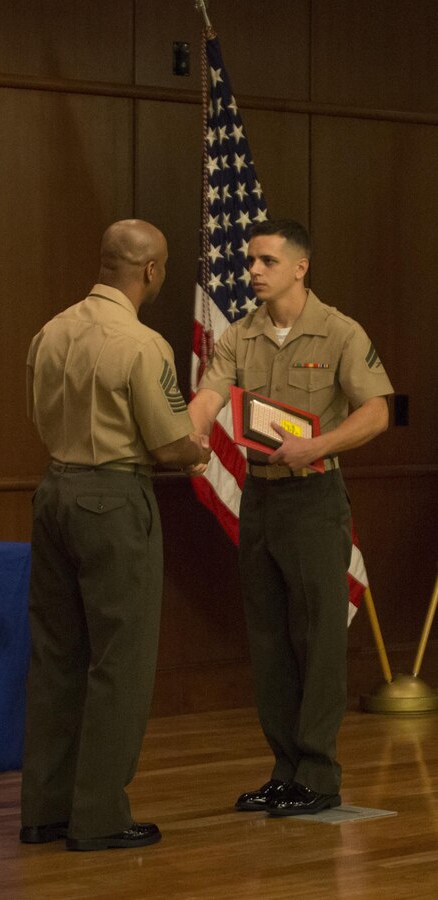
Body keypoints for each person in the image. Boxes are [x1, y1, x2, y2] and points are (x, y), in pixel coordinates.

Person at [189, 219, 393, 816]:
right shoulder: (240, 335)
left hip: (313, 498)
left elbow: (378, 411)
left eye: (267, 262)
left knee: (319, 638)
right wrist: (194, 428)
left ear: (300, 268)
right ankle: (284, 769)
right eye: (251, 260)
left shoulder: (338, 332)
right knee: (270, 637)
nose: (252, 270)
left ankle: (319, 774)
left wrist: (319, 445)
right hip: (262, 498)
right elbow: (209, 392)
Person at [20, 219, 211, 851]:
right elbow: (168, 444)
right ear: (151, 271)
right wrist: (201, 447)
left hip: (52, 492)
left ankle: (45, 811)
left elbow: (34, 412)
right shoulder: (142, 343)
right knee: (119, 662)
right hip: (113, 499)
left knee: (56, 657)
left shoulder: (50, 330)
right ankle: (99, 816)